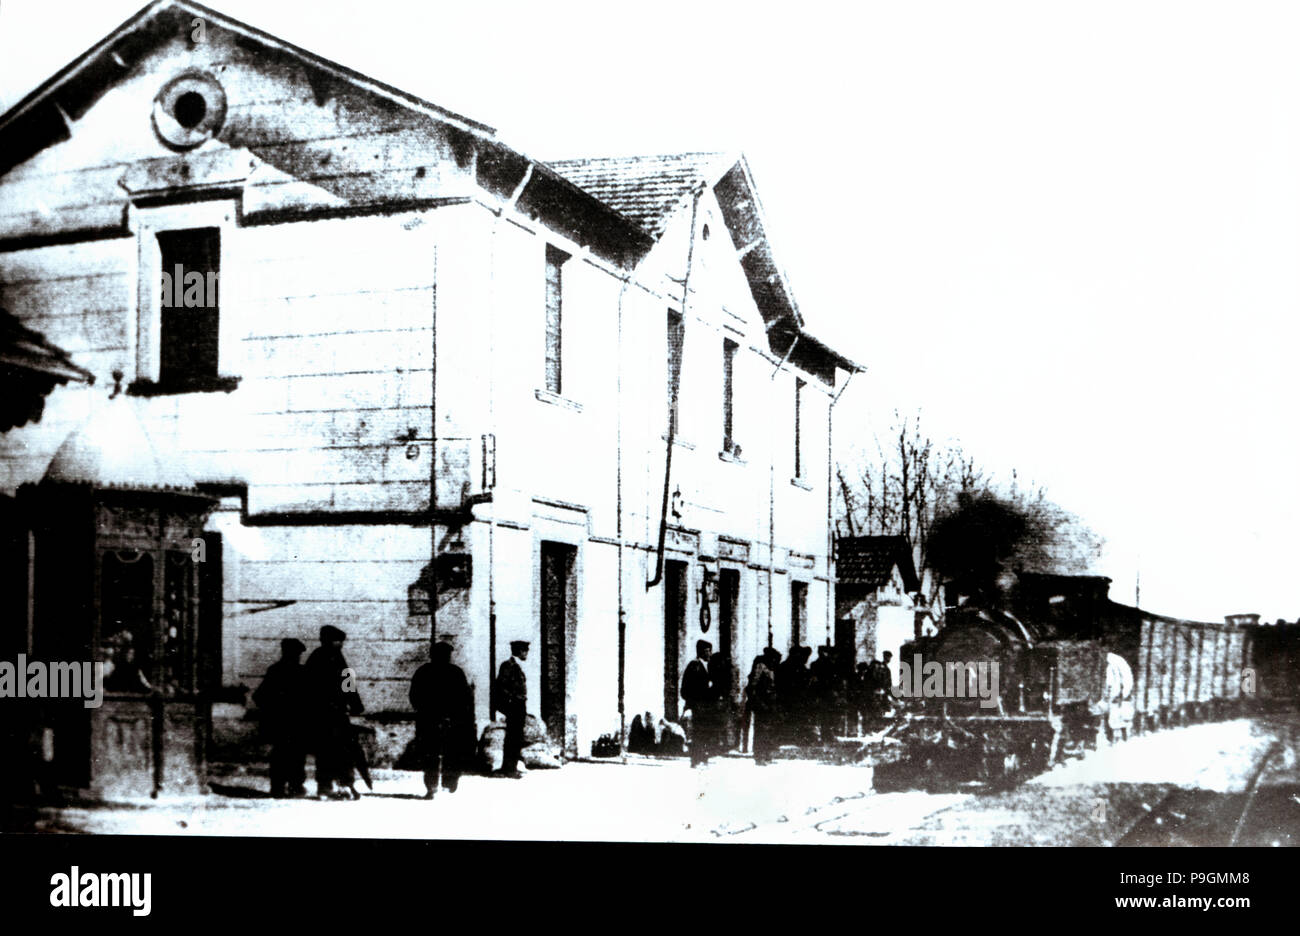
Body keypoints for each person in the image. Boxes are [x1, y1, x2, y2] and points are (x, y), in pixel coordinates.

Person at [305, 625, 364, 799]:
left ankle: (331, 786)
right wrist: (355, 704)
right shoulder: (333, 658)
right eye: (338, 641)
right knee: (339, 751)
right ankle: (339, 785)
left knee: (329, 751)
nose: (341, 644)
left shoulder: (316, 658)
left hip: (325, 713)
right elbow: (348, 683)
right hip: (331, 714)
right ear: (329, 640)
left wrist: (354, 703)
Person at [409, 641, 475, 798]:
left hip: (433, 719)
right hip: (446, 720)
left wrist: (423, 711)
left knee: (433, 753)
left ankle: (434, 787)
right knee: (447, 753)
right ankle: (446, 785)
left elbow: (414, 697)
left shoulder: (424, 671)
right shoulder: (455, 672)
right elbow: (465, 698)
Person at [253, 638, 309, 798]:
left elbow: (259, 696)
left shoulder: (274, 670)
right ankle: (295, 786)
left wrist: (271, 710)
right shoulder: (302, 672)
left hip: (280, 722)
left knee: (280, 755)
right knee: (297, 755)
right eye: (297, 654)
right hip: (297, 722)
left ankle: (277, 787)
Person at [494, 640, 529, 778]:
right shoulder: (508, 666)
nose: (526, 654)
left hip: (519, 706)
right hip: (514, 706)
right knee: (513, 738)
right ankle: (509, 769)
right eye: (525, 651)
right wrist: (513, 700)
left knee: (516, 737)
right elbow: (501, 687)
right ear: (519, 651)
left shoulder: (517, 666)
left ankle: (511, 767)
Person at [681, 640, 714, 766]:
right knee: (697, 733)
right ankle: (695, 760)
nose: (709, 653)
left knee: (704, 733)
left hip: (705, 708)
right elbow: (685, 689)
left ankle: (702, 757)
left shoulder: (708, 666)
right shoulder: (694, 666)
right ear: (701, 652)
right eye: (707, 651)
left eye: (710, 650)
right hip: (697, 707)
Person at [750, 648, 782, 765]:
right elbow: (752, 687)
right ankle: (759, 756)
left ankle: (767, 755)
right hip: (762, 703)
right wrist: (758, 703)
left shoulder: (772, 669)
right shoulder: (760, 667)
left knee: (770, 730)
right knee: (761, 730)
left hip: (771, 704)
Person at [707, 649, 733, 754]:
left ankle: (719, 744)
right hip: (719, 699)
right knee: (720, 723)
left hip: (718, 699)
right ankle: (721, 744)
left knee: (718, 723)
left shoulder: (717, 670)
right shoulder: (724, 670)